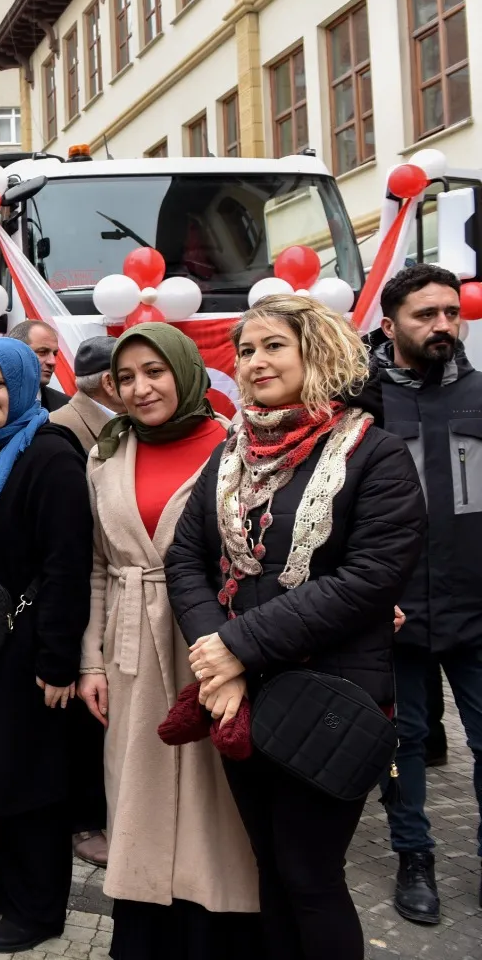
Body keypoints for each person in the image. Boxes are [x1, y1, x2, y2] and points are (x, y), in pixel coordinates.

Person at [165, 294, 425, 960]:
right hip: (241, 695)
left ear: (318, 351)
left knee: (311, 877)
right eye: (246, 349)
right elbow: (185, 559)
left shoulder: (376, 454)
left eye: (273, 345)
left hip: (330, 694)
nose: (255, 361)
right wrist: (213, 659)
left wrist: (233, 645)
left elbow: (368, 581)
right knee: (269, 868)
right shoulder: (230, 458)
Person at [75, 323, 262, 958]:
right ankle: (141, 931)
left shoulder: (239, 445)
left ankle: (215, 931)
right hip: (129, 643)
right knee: (137, 792)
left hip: (213, 641)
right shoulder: (107, 452)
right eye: (126, 377)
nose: (140, 387)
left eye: (154, 371)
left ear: (184, 371)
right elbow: (99, 564)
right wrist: (89, 662)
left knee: (214, 797)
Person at [0, 336, 93, 955]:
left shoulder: (50, 457)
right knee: (6, 767)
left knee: (37, 777)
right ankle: (10, 885)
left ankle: (39, 908)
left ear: (25, 385)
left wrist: (58, 660)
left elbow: (68, 565)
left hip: (34, 642)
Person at [366, 264, 482, 925]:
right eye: (424, 315)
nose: (442, 325)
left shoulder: (481, 394)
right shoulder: (364, 402)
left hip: (477, 609)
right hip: (393, 612)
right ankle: (415, 858)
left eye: (450, 312)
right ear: (390, 326)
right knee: (402, 742)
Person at [43, 333, 120, 868]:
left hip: (120, 591)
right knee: (85, 723)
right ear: (111, 383)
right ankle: (84, 820)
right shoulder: (66, 430)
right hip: (92, 590)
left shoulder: (114, 427)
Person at [50, 335, 126, 452]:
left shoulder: (134, 419)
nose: (141, 386)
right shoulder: (58, 429)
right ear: (109, 383)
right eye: (128, 377)